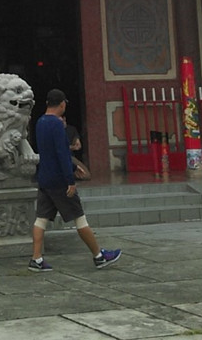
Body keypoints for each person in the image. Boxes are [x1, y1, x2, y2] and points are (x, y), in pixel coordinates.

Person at [28, 88, 121, 272]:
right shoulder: (56, 124)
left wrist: (72, 167)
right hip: (59, 181)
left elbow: (48, 152)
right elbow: (62, 154)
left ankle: (36, 259)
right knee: (79, 218)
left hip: (44, 178)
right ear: (62, 104)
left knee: (41, 219)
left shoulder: (40, 122)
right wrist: (70, 179)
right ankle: (99, 256)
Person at [64, 116, 92, 181]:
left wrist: (72, 147)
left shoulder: (71, 129)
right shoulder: (55, 130)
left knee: (86, 175)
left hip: (69, 157)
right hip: (59, 157)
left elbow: (78, 145)